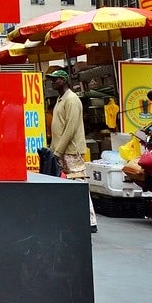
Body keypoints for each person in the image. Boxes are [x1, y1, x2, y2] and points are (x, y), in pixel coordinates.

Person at [47, 69, 97, 233]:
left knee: (79, 184)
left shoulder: (71, 100)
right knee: (68, 185)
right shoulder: (61, 100)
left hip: (71, 151)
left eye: (55, 80)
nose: (52, 82)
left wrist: (58, 151)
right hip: (62, 150)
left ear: (64, 81)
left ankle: (90, 221)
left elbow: (70, 128)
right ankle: (75, 217)